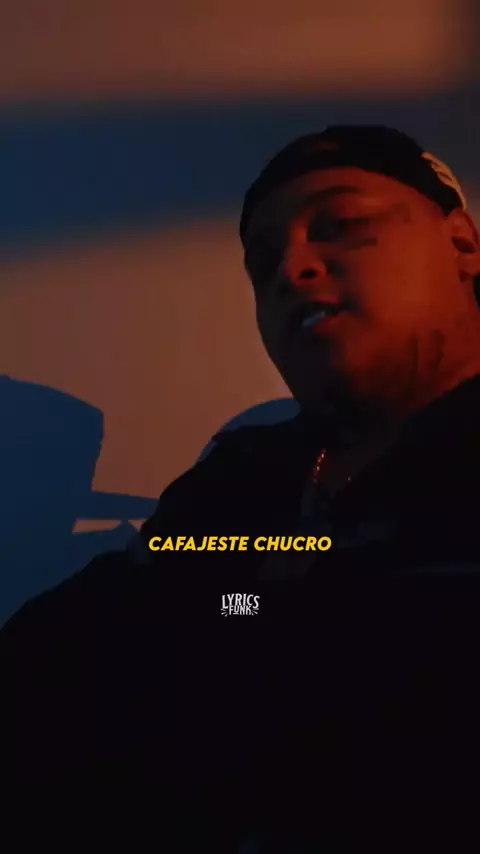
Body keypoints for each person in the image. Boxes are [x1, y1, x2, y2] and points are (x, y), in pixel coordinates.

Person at [3, 125, 480, 852]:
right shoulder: (244, 476)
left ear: (463, 242)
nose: (290, 267)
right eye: (262, 262)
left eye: (340, 224)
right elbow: (139, 611)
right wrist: (245, 602)